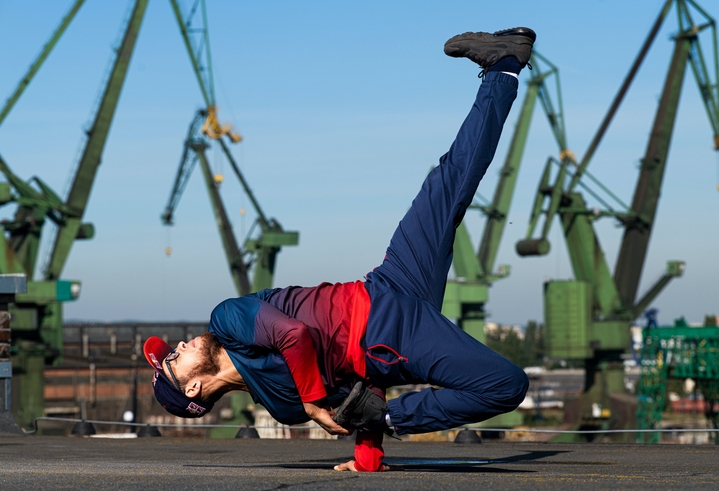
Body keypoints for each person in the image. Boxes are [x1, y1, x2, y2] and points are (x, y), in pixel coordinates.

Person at [144, 27, 535, 472]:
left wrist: (314, 403)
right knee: (506, 385)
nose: (178, 344)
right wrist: (370, 451)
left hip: (390, 281)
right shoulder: (282, 405)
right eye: (174, 357)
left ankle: (503, 66)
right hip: (388, 334)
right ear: (192, 388)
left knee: (447, 181)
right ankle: (399, 419)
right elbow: (360, 394)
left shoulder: (227, 320)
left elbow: (293, 335)